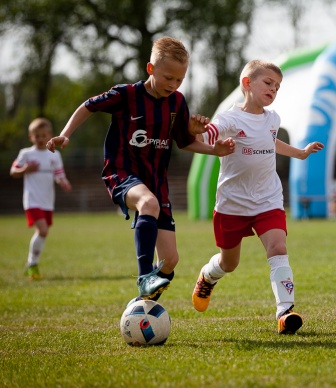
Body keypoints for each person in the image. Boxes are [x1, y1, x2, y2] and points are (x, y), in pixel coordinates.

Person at [46, 37, 235, 304]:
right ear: (150, 69)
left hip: (157, 181)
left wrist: (214, 150)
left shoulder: (178, 103)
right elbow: (88, 106)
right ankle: (144, 276)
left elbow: (186, 141)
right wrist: (65, 135)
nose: (173, 85)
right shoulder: (126, 95)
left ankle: (143, 306)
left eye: (179, 80)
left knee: (170, 261)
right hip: (121, 172)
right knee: (147, 202)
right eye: (168, 77)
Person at [191, 60, 324, 335]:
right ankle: (208, 276)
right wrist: (196, 129)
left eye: (277, 86)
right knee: (230, 263)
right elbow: (209, 133)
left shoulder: (273, 118)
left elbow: (270, 141)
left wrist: (299, 153)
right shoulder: (229, 118)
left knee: (278, 249)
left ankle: (285, 312)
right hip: (232, 203)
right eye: (268, 83)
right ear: (247, 83)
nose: (273, 89)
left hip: (268, 199)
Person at [10, 118, 72, 279]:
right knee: (42, 230)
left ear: (50, 136)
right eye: (36, 136)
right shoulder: (26, 154)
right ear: (31, 137)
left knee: (43, 232)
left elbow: (59, 175)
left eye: (43, 135)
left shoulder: (55, 155)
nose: (40, 139)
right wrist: (25, 169)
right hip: (32, 200)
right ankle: (32, 263)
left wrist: (63, 182)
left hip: (47, 201)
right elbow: (13, 171)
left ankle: (32, 264)